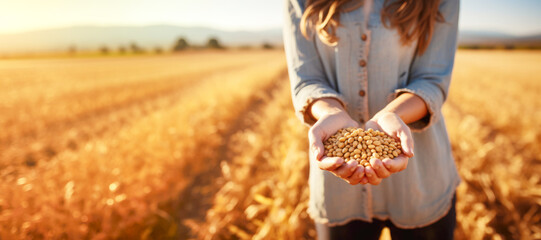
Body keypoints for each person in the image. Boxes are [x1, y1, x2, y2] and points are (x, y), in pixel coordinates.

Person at [283, 0, 461, 239]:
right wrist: (330, 112)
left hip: (421, 183)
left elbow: (432, 79)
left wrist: (393, 115)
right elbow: (306, 79)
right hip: (340, 195)